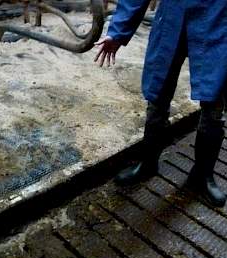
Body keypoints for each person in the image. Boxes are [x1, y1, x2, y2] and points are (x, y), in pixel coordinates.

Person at [94, 0, 227, 207]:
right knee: (157, 94)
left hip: (217, 21)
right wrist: (118, 31)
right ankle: (148, 164)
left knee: (214, 103)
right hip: (172, 16)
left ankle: (203, 175)